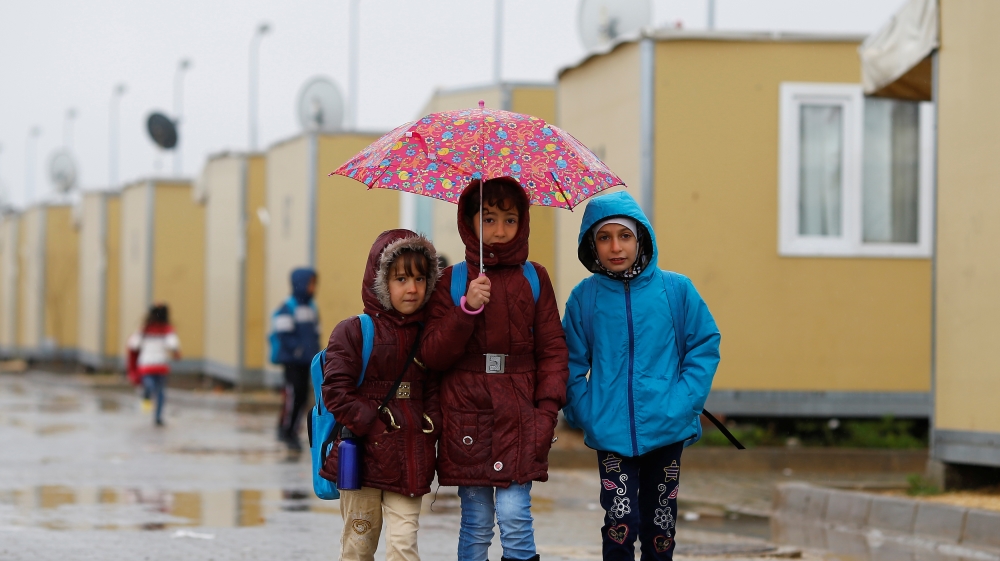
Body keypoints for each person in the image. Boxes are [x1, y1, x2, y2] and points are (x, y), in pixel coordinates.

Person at [561, 191, 721, 561]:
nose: (616, 247)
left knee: (660, 525)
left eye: (625, 235)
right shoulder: (585, 299)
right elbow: (567, 361)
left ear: (641, 238)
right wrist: (586, 411)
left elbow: (704, 344)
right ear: (592, 244)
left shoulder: (676, 290)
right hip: (611, 432)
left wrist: (683, 403)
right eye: (604, 237)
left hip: (667, 429)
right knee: (620, 521)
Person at [423, 178, 569, 561]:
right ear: (468, 223)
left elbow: (553, 349)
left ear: (523, 223)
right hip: (466, 415)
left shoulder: (535, 277)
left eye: (510, 219)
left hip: (522, 413)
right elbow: (433, 354)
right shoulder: (453, 280)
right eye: (488, 219)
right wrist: (466, 309)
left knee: (515, 516)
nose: (500, 230)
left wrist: (547, 411)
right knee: (476, 521)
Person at [320, 229, 441, 561]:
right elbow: (335, 391)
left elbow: (434, 386)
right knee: (358, 548)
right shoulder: (354, 331)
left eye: (420, 278)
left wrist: (432, 424)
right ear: (380, 280)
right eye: (401, 278)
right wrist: (373, 426)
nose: (412, 288)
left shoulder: (429, 333)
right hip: (363, 459)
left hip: (411, 456)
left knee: (404, 547)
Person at [271, 267, 321, 451]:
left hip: (306, 361)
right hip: (292, 362)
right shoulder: (288, 307)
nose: (313, 287)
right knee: (292, 395)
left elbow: (315, 333)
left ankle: (294, 429)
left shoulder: (311, 307)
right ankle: (286, 429)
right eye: (311, 283)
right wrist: (300, 350)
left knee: (301, 396)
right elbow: (284, 335)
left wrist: (315, 352)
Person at [127, 304, 181, 427]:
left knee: (154, 387)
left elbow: (133, 345)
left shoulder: (144, 330)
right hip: (158, 364)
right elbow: (173, 344)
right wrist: (176, 353)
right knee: (159, 391)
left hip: (148, 364)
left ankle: (157, 414)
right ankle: (156, 412)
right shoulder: (166, 330)